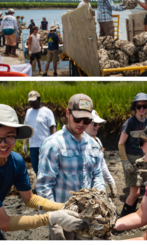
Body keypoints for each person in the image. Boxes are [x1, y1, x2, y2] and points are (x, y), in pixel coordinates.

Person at [0, 104, 86, 240]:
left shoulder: (16, 161)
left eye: (9, 136)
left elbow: (30, 198)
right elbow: (4, 222)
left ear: (17, 134)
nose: (3, 144)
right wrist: (50, 218)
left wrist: (62, 207)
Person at [36, 94, 105, 240]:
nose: (81, 123)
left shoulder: (93, 145)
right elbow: (44, 186)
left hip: (87, 216)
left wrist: (100, 199)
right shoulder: (53, 145)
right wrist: (53, 220)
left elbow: (97, 174)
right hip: (63, 217)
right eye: (77, 119)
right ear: (68, 113)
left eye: (86, 120)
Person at [118, 93, 147, 217]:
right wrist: (126, 161)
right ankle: (123, 217)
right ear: (135, 107)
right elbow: (121, 144)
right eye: (139, 106)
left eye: (144, 106)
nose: (142, 109)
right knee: (135, 192)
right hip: (132, 157)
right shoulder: (130, 123)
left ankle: (133, 216)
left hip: (146, 158)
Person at [23, 91, 56, 176]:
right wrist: (25, 144)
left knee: (46, 167)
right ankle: (40, 185)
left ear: (39, 99)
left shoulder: (47, 111)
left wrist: (54, 143)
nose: (32, 103)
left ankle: (46, 186)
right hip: (33, 145)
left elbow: (52, 128)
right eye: (30, 101)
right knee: (35, 168)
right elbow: (27, 128)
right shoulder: (28, 112)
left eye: (34, 101)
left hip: (45, 144)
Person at [85, 110, 117, 198]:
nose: (98, 126)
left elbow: (102, 164)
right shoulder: (79, 143)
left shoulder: (97, 141)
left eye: (99, 124)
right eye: (95, 124)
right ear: (85, 123)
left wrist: (111, 182)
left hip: (97, 186)